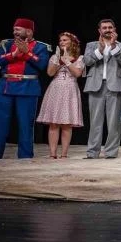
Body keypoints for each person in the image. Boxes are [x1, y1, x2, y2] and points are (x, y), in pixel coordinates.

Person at [0, 18, 51, 159]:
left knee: (25, 124)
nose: (14, 32)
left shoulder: (41, 47)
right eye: (14, 29)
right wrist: (13, 55)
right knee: (0, 123)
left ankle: (25, 156)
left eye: (17, 29)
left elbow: (42, 65)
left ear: (28, 31)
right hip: (5, 87)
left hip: (27, 88)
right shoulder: (6, 44)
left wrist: (27, 53)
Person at [83, 19, 121, 159]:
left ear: (114, 29)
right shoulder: (91, 45)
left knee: (113, 122)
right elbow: (87, 61)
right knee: (95, 122)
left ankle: (111, 152)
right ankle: (92, 152)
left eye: (110, 27)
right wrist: (100, 49)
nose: (107, 30)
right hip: (95, 85)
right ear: (99, 30)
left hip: (115, 86)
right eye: (104, 28)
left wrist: (113, 46)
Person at [36, 31, 84, 159]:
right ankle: (52, 154)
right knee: (54, 123)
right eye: (61, 40)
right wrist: (58, 60)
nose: (62, 42)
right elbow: (50, 73)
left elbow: (77, 73)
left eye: (65, 40)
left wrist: (67, 62)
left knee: (67, 124)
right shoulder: (54, 57)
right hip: (56, 89)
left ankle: (64, 154)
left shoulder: (79, 58)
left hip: (70, 89)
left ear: (72, 43)